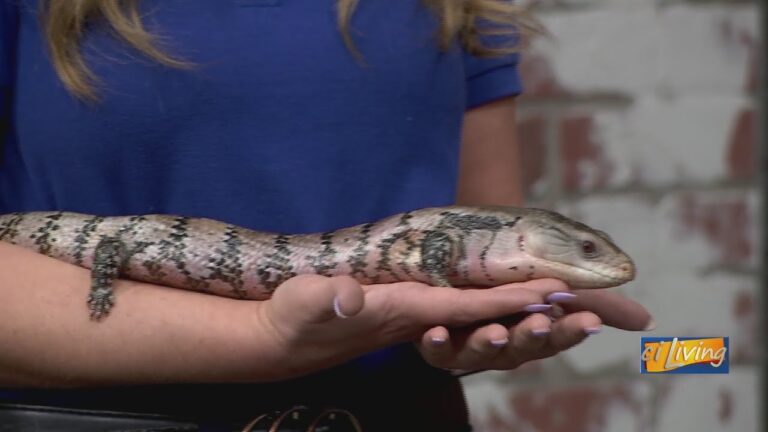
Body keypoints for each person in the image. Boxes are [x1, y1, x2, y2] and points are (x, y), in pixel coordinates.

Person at [0, 1, 653, 430]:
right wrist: (263, 337)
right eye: (589, 252)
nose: (600, 263)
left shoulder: (461, 10)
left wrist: (491, 326)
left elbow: (477, 240)